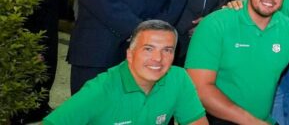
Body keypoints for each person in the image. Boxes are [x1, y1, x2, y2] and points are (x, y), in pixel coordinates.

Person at [45, 20, 207, 125]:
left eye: (167, 50)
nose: (158, 58)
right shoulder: (101, 90)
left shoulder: (178, 78)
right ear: (130, 54)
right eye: (148, 49)